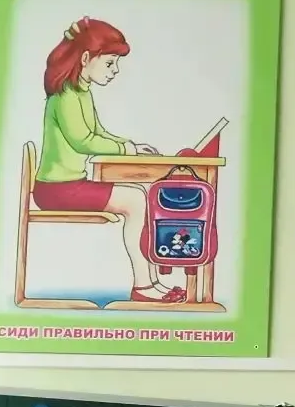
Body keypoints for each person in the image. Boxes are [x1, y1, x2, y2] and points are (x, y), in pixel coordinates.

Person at [33, 18, 184, 304]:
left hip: (69, 185)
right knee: (136, 200)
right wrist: (126, 148)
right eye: (110, 63)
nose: (115, 71)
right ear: (86, 58)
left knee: (140, 196)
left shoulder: (81, 92)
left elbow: (98, 132)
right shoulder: (65, 96)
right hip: (57, 189)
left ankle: (151, 282)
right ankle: (144, 286)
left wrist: (131, 146)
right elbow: (83, 140)